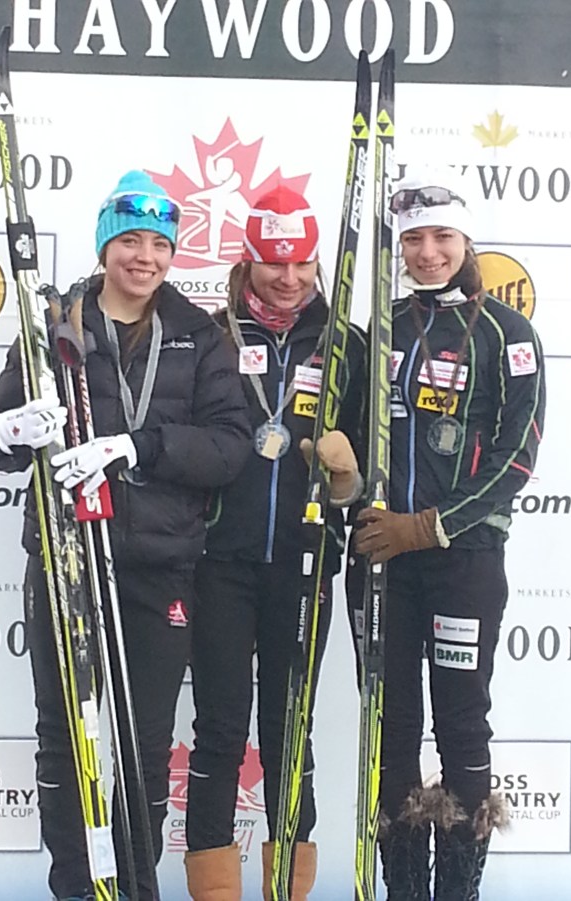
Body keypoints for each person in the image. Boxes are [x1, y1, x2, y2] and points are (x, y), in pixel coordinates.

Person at [0, 170, 252, 901]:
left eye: (159, 243)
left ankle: (134, 885)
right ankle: (76, 888)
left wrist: (139, 445)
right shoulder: (56, 323)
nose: (145, 257)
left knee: (142, 745)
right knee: (66, 741)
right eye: (129, 240)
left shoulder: (197, 332)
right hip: (67, 565)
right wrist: (8, 428)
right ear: (105, 245)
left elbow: (231, 445)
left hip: (159, 568)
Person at [347, 166, 546, 900]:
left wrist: (425, 527)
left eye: (443, 237)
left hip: (462, 561)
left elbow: (517, 455)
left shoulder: (506, 332)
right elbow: (350, 438)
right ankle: (402, 889)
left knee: (462, 728)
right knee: (392, 730)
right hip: (381, 567)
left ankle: (459, 892)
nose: (428, 252)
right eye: (415, 239)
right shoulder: (386, 329)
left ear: (467, 240)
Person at [183, 185, 366, 900]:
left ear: (318, 263)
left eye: (301, 265)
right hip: (221, 563)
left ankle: (287, 889)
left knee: (291, 731)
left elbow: (366, 475)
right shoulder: (212, 335)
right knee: (221, 731)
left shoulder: (344, 344)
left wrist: (348, 475)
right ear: (249, 259)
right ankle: (216, 891)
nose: (287, 279)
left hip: (305, 562)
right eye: (272, 263)